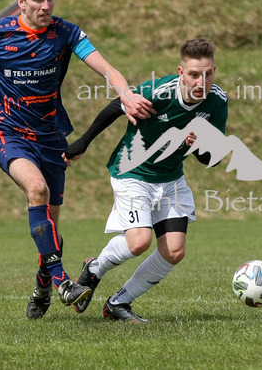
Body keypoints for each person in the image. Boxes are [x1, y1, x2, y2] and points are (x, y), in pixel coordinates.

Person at [0, 0, 154, 320]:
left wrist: (124, 93)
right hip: (10, 134)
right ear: (21, 1)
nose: (46, 6)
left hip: (52, 140)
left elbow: (106, 68)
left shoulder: (66, 33)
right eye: (38, 0)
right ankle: (62, 282)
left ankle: (43, 283)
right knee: (37, 190)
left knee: (52, 233)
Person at [63, 38, 228, 322]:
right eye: (193, 74)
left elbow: (212, 160)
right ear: (181, 72)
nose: (201, 82)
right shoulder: (159, 91)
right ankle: (94, 268)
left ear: (214, 70)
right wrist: (84, 142)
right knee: (139, 242)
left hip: (171, 179)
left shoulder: (217, 101)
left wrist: (200, 147)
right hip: (132, 173)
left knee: (174, 251)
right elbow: (117, 106)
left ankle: (118, 303)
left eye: (207, 74)